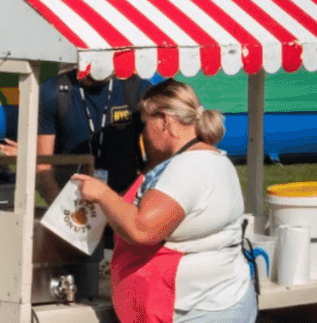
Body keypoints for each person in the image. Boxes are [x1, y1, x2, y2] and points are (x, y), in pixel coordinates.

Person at [73, 79, 256, 323]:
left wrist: (102, 194)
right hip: (218, 301)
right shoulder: (214, 159)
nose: (143, 134)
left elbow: (142, 229)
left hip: (199, 310)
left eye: (145, 124)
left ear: (165, 121)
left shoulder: (187, 168)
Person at [26, 67, 151, 205]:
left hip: (123, 202)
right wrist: (62, 213)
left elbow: (159, 159)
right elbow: (43, 167)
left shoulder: (137, 89)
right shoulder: (52, 91)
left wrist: (125, 202)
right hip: (70, 202)